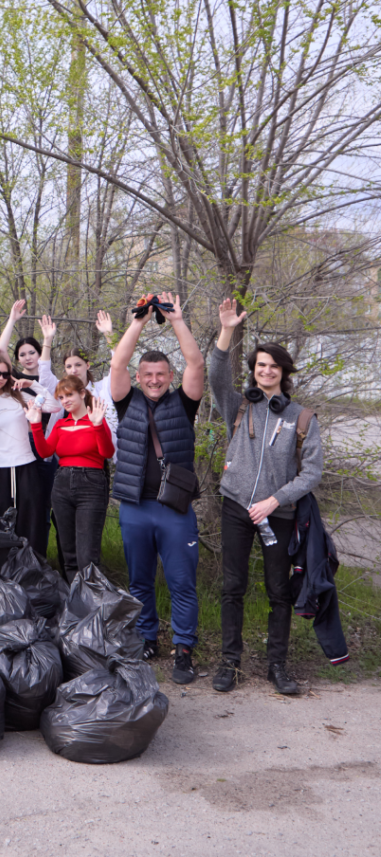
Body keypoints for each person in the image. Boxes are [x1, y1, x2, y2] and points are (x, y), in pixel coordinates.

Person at [209, 298, 324, 695]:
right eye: (261, 366)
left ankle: (278, 666)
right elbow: (216, 374)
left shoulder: (302, 418)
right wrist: (227, 330)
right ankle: (230, 663)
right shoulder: (239, 406)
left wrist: (275, 500)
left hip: (279, 513)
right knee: (232, 586)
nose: (267, 371)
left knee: (278, 590)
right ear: (255, 371)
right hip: (236, 505)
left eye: (273, 366)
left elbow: (312, 472)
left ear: (283, 372)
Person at [109, 292, 205, 684]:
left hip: (175, 510)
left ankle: (183, 648)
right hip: (135, 507)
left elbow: (196, 363)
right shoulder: (124, 400)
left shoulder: (184, 403)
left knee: (182, 582)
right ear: (138, 377)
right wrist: (139, 321)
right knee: (139, 582)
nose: (153, 380)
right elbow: (117, 362)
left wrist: (177, 320)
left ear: (169, 376)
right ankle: (146, 638)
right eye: (147, 375)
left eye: (160, 374)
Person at [27, 378, 115, 582]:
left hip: (91, 484)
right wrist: (35, 424)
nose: (65, 400)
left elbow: (107, 453)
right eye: (61, 397)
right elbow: (45, 452)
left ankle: (93, 604)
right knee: (69, 554)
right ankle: (75, 603)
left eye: (69, 395)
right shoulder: (60, 424)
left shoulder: (96, 420)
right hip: (62, 484)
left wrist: (98, 426)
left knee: (87, 556)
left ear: (82, 394)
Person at [0, 352, 54, 553]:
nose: (1, 378)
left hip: (25, 465)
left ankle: (29, 566)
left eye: (5, 374)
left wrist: (31, 385)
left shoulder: (18, 396)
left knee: (29, 518)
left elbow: (53, 405)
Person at [29, 309, 121, 455]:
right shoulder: (60, 390)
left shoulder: (101, 388)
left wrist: (108, 334)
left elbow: (119, 367)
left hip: (96, 457)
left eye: (78, 365)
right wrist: (47, 340)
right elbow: (44, 374)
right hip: (63, 456)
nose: (74, 370)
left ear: (88, 365)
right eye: (69, 366)